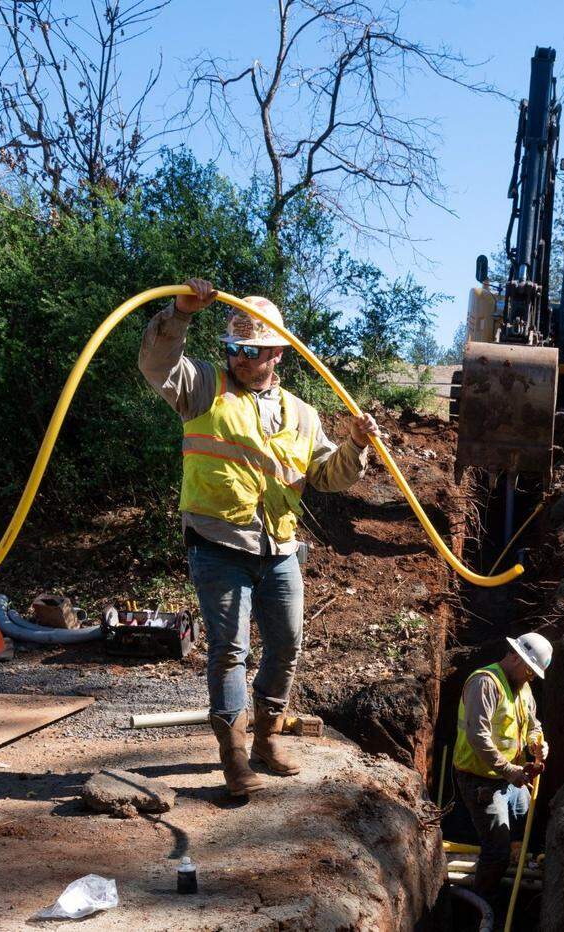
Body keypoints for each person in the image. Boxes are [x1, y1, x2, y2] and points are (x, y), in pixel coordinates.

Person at [138, 278, 381, 798]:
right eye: (236, 350)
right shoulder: (203, 387)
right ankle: (233, 757)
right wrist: (179, 314)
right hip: (219, 544)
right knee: (230, 651)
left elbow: (327, 474)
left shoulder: (301, 413)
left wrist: (356, 445)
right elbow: (157, 365)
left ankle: (268, 739)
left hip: (279, 547)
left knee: (288, 645)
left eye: (254, 351)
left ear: (277, 353)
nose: (243, 359)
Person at [452, 632, 552, 900]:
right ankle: (483, 906)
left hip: (512, 779)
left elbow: (533, 724)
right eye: (530, 670)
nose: (531, 676)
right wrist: (509, 771)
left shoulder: (524, 687)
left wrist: (537, 743)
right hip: (482, 780)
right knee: (496, 851)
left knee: (521, 829)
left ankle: (513, 886)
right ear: (516, 657)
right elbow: (477, 736)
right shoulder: (485, 683)